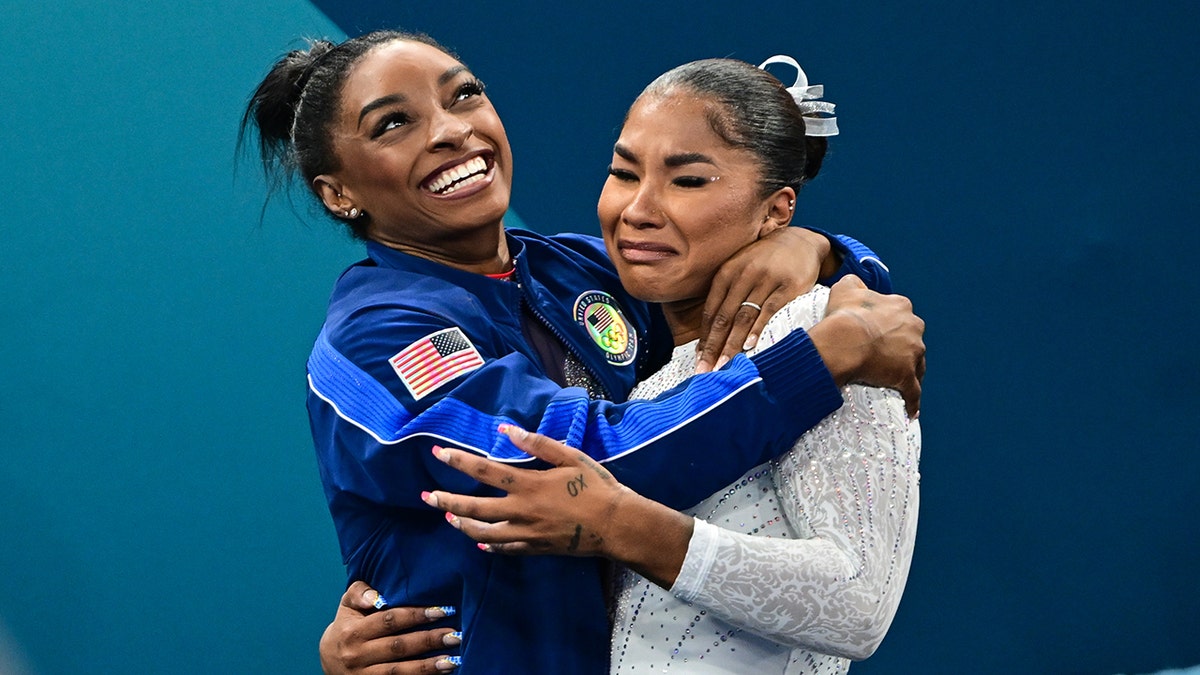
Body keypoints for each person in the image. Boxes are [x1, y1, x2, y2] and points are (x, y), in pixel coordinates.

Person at [240, 30, 924, 674]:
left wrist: (820, 249)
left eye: (463, 94)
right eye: (394, 123)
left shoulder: (575, 271)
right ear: (339, 193)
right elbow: (582, 468)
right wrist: (822, 359)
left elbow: (751, 300)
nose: (451, 131)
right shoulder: (377, 336)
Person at [423, 56, 920, 673]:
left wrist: (620, 524)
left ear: (776, 208)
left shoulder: (834, 336)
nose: (639, 209)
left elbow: (858, 604)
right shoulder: (637, 343)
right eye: (623, 173)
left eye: (687, 182)